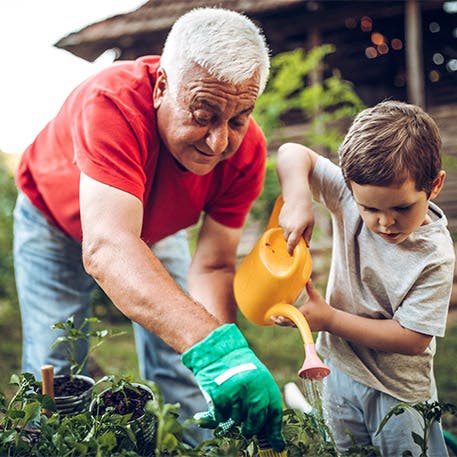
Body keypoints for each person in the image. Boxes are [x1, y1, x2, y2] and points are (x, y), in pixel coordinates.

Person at [13, 7, 285, 451]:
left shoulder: (247, 151)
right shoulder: (112, 101)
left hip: (153, 230)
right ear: (162, 87)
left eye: (237, 119)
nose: (219, 143)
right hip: (53, 222)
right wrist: (212, 346)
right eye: (203, 113)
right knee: (56, 367)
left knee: (186, 363)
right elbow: (108, 246)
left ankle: (204, 447)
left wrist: (227, 358)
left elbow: (214, 265)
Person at [274, 101, 455, 456]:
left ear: (434, 186)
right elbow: (292, 152)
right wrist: (297, 199)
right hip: (338, 370)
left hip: (398, 392)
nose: (385, 222)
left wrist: (329, 319)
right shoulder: (346, 193)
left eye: (402, 208)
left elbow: (413, 339)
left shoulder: (434, 255)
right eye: (369, 209)